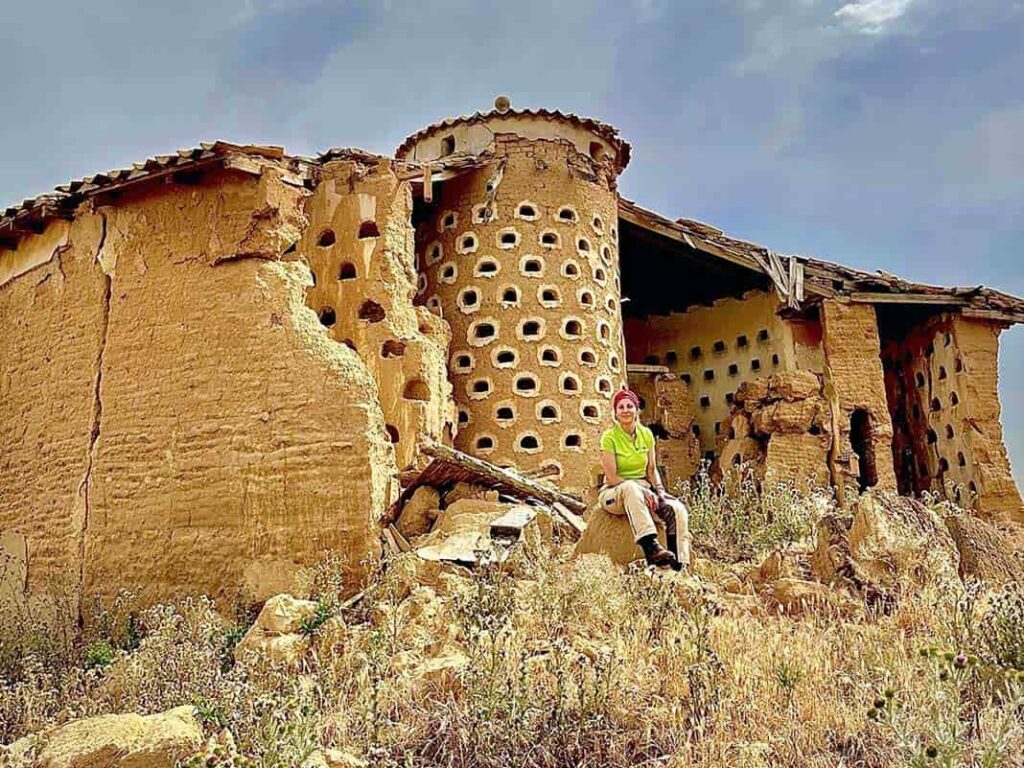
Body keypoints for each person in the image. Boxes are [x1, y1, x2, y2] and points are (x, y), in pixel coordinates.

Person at [598, 388, 692, 570]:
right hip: (614, 493)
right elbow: (611, 477)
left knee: (677, 509)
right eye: (621, 407)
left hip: (643, 491)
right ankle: (651, 547)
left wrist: (660, 491)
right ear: (615, 413)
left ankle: (679, 564)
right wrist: (641, 489)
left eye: (629, 406)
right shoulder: (609, 437)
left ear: (637, 410)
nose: (625, 410)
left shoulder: (646, 434)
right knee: (631, 489)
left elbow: (651, 469)